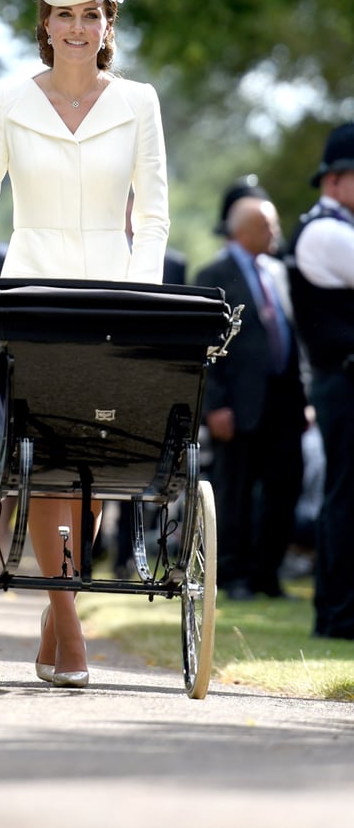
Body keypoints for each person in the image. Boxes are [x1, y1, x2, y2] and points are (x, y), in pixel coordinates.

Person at [0, 0, 169, 688]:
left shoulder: (140, 101)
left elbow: (155, 214)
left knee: (97, 461)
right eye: (65, 15)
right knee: (46, 464)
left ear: (108, 24)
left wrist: (144, 298)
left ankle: (56, 607)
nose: (78, 29)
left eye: (93, 15)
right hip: (33, 290)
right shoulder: (8, 100)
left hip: (116, 294)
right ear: (44, 23)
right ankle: (71, 629)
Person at [193, 196, 307, 600]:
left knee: (283, 488)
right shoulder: (213, 274)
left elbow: (293, 339)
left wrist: (304, 395)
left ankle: (266, 575)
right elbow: (203, 348)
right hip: (238, 406)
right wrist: (214, 406)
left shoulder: (278, 273)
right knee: (236, 491)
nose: (275, 233)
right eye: (268, 226)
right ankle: (234, 574)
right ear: (243, 230)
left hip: (284, 402)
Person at [285, 123, 354, 639]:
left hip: (341, 381)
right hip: (343, 380)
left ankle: (339, 613)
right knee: (345, 497)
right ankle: (338, 615)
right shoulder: (327, 232)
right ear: (334, 181)